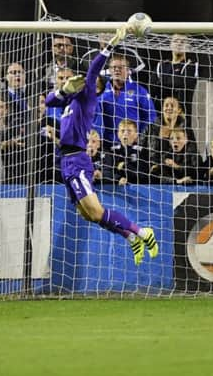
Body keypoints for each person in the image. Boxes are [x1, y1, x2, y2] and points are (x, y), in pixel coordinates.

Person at [44, 26, 158, 266]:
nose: (81, 81)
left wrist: (108, 48)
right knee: (87, 214)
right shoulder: (70, 100)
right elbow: (48, 101)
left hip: (76, 159)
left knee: (96, 211)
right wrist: (62, 89)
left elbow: (94, 69)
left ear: (96, 87)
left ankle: (141, 232)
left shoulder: (88, 99)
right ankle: (129, 236)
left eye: (89, 81)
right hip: (65, 161)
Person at [93, 54, 157, 150]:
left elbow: (151, 117)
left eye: (121, 67)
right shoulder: (101, 91)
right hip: (107, 143)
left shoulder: (139, 90)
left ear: (128, 71)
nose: (117, 70)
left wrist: (140, 136)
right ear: (109, 70)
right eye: (114, 67)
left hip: (132, 143)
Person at [153, 34, 199, 125]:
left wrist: (162, 84)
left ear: (188, 47)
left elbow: (184, 86)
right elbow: (153, 90)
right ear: (170, 44)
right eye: (176, 41)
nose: (179, 44)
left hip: (183, 119)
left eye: (183, 41)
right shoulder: (161, 66)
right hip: (162, 118)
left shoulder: (192, 66)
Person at [103, 119, 145, 185]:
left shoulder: (142, 151)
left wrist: (124, 166)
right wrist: (118, 178)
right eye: (122, 131)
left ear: (136, 134)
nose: (125, 134)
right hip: (115, 188)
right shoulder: (111, 151)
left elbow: (143, 175)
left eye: (129, 131)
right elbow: (106, 171)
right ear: (118, 134)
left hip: (138, 188)